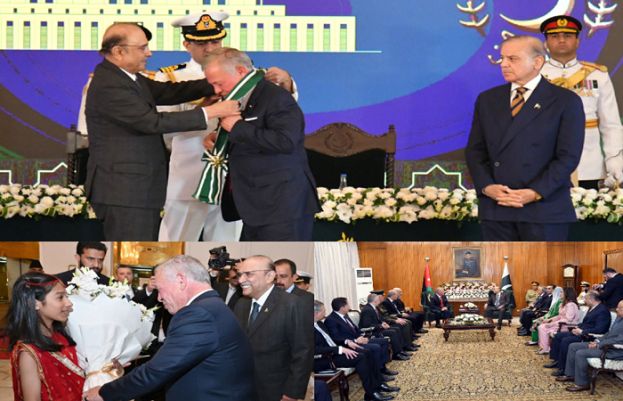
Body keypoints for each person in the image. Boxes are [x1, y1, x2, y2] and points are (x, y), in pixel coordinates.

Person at [84, 22, 239, 240]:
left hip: (134, 188)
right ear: (118, 51)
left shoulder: (125, 77)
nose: (149, 53)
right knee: (132, 247)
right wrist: (212, 111)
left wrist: (216, 83)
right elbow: (151, 122)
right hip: (124, 190)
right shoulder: (110, 84)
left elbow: (168, 92)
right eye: (142, 48)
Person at [155, 12, 297, 241]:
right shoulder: (171, 77)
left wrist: (287, 82)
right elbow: (163, 127)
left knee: (227, 240)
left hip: (235, 174)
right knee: (175, 240)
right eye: (202, 43)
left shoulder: (247, 74)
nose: (210, 48)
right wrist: (204, 109)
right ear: (187, 44)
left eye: (215, 41)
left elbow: (281, 107)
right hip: (190, 171)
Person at [84, 255, 256, 401]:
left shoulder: (198, 314)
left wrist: (104, 392)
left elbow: (158, 371)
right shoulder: (211, 306)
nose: (159, 298)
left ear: (181, 281)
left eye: (160, 289)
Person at [465, 35, 585, 240]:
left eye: (512, 59)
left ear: (537, 62)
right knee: (500, 263)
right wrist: (487, 187)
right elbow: (476, 151)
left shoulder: (565, 101)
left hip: (544, 210)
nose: (504, 64)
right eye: (502, 58)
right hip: (497, 209)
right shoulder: (488, 99)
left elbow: (568, 157)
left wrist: (535, 192)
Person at [202, 48, 320, 240]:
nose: (216, 91)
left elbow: (286, 141)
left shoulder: (276, 97)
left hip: (281, 205)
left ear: (241, 71)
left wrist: (238, 128)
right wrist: (220, 137)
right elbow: (253, 135)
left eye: (219, 83)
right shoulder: (240, 97)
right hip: (256, 205)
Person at [540, 15, 623, 189]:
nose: (561, 40)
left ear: (578, 41)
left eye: (568, 35)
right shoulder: (534, 74)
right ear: (546, 43)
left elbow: (611, 125)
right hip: (544, 166)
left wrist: (615, 161)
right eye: (554, 36)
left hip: (589, 165)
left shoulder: (597, 75)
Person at [233, 256, 313, 401]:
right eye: (240, 274)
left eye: (248, 274)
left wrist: (292, 393)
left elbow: (303, 352)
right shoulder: (241, 304)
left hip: (277, 390)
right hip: (243, 388)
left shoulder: (292, 304)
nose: (240, 280)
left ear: (269, 276)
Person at [8, 272, 85, 401]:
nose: (69, 303)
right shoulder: (29, 353)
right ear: (35, 303)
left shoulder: (61, 335)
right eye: (60, 297)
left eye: (67, 296)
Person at [314, 301, 398, 401]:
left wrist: (348, 342)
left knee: (367, 352)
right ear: (316, 313)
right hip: (323, 358)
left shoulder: (319, 323)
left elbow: (332, 338)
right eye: (323, 310)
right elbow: (315, 349)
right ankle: (371, 394)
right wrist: (340, 349)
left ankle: (378, 384)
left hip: (335, 352)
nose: (325, 312)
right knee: (361, 357)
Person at [557, 300, 623, 392]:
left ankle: (582, 383)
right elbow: (609, 334)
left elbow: (619, 339)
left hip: (614, 351)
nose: (616, 309)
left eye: (619, 308)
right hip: (604, 344)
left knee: (581, 353)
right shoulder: (619, 318)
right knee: (573, 346)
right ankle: (570, 374)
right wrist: (597, 340)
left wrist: (599, 344)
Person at [324, 297, 397, 377]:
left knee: (383, 341)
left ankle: (382, 368)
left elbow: (356, 329)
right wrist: (355, 340)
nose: (349, 306)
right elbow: (336, 337)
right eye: (348, 304)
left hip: (359, 340)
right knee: (375, 347)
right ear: (342, 308)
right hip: (349, 345)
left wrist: (362, 337)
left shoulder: (345, 315)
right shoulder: (331, 320)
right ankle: (378, 373)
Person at [546, 291, 611, 376]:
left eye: (586, 299)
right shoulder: (593, 308)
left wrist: (582, 331)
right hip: (582, 332)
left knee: (566, 341)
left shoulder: (602, 310)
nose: (585, 301)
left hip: (588, 336)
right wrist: (577, 328)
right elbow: (586, 323)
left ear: (591, 299)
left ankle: (563, 368)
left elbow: (600, 329)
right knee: (558, 336)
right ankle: (557, 361)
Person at [536, 287, 580, 354]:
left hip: (567, 326)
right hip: (560, 324)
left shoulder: (571, 305)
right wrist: (550, 319)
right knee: (542, 326)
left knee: (543, 327)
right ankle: (545, 347)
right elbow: (560, 316)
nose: (560, 294)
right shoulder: (564, 304)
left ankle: (545, 348)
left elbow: (568, 319)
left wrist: (552, 324)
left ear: (567, 294)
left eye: (562, 292)